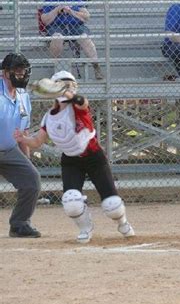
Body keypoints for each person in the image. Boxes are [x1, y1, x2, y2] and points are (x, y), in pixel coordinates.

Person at [15, 71, 135, 244]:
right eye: (63, 85)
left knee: (112, 205)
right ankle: (85, 228)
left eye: (70, 85)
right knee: (71, 201)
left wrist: (66, 92)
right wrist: (22, 138)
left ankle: (123, 223)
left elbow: (82, 102)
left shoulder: (77, 107)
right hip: (71, 161)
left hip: (94, 157)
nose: (68, 88)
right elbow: (37, 141)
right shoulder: (49, 117)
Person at [1, 53, 42, 238]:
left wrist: (26, 160)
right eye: (16, 71)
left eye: (23, 71)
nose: (21, 75)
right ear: (5, 73)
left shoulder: (23, 96)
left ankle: (19, 224)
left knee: (31, 180)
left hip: (9, 150)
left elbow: (22, 132)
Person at [41, 0, 103, 80]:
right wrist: (57, 9)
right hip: (57, 27)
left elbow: (86, 16)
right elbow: (44, 19)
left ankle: (96, 66)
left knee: (84, 37)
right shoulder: (50, 0)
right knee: (57, 37)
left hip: (75, 26)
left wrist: (71, 11)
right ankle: (56, 66)